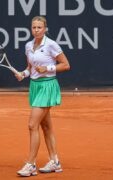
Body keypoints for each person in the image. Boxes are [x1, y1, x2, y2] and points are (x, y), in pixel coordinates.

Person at [15, 16, 70, 177]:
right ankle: (55, 161)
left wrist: (47, 68)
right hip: (35, 87)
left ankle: (31, 164)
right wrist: (23, 74)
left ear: (45, 28)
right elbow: (30, 67)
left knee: (32, 125)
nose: (36, 30)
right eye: (34, 27)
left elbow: (66, 65)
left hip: (47, 86)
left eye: (39, 27)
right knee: (46, 126)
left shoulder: (51, 45)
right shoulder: (28, 46)